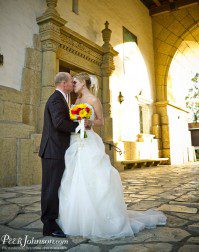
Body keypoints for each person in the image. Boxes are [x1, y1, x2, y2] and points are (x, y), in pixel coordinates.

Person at [56, 72, 167, 239]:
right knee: (74, 177)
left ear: (83, 83)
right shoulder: (76, 101)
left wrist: (90, 122)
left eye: (75, 82)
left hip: (89, 141)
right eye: (72, 82)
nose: (73, 85)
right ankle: (77, 218)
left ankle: (99, 218)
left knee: (94, 177)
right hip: (76, 141)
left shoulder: (93, 100)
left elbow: (101, 120)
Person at [39, 72, 79, 237]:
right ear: (63, 83)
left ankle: (53, 220)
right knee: (50, 188)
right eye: (71, 81)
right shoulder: (56, 99)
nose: (72, 84)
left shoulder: (61, 98)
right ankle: (49, 225)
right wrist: (79, 125)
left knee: (53, 186)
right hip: (53, 150)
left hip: (56, 150)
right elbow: (59, 123)